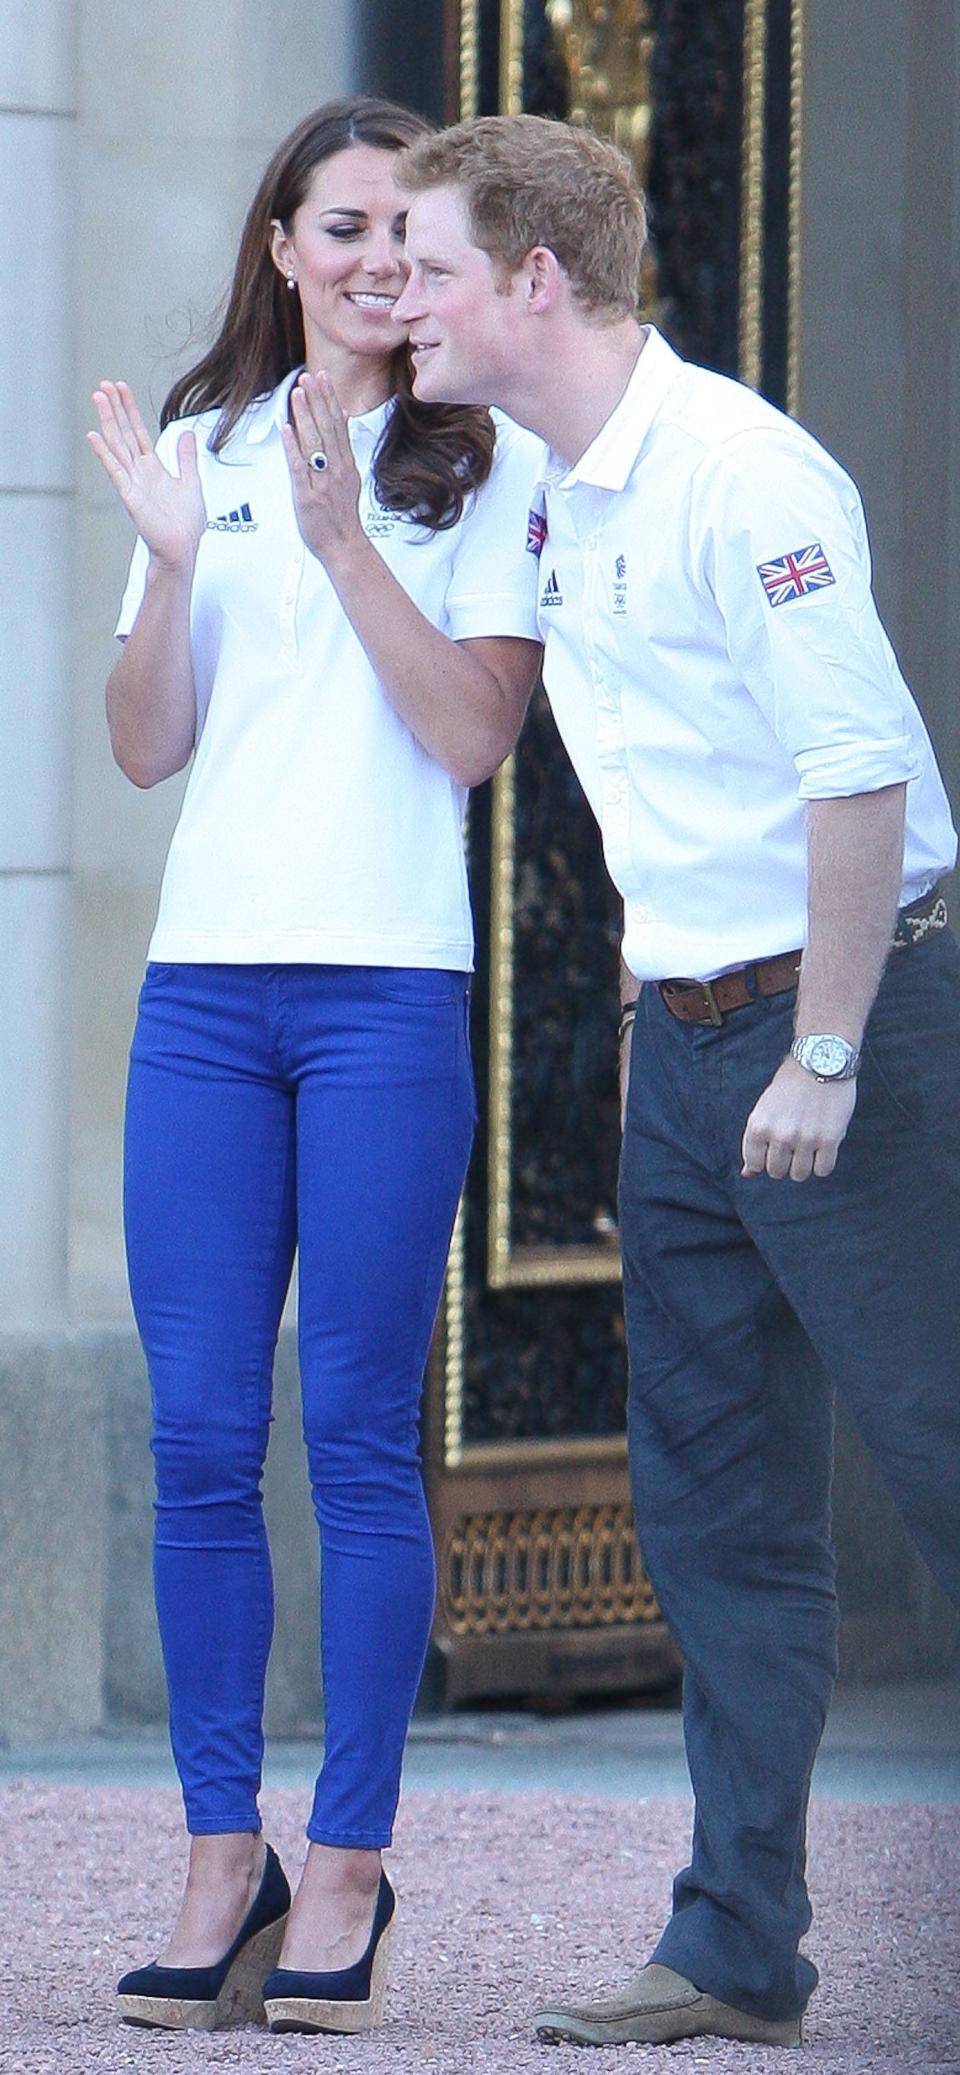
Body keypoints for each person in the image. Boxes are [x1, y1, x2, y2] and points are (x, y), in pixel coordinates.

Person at [392, 114, 960, 2049]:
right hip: (689, 1043)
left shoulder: (739, 470)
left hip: (852, 1028)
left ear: (535, 283)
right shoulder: (555, 493)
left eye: (438, 269)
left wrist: (819, 1042)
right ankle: (736, 1947)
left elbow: (861, 766)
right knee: (715, 1508)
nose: (408, 300)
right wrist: (671, 1036)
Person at [88, 96, 542, 2038]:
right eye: (338, 224)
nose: (371, 258)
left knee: (353, 1438)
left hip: (379, 1004)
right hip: (205, 1007)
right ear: (279, 246)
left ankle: (348, 1866)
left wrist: (349, 543)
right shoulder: (192, 452)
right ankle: (221, 1859)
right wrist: (183, 565)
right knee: (199, 1446)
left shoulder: (491, 467)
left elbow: (468, 743)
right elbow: (138, 748)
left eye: (402, 232)